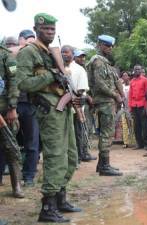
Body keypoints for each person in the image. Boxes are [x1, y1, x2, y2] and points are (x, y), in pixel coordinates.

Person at [16, 13, 80, 222]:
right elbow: (23, 83)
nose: (50, 33)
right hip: (48, 110)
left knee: (71, 155)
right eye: (46, 29)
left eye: (53, 30)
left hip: (63, 108)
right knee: (55, 156)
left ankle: (60, 198)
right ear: (36, 29)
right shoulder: (29, 52)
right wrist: (51, 75)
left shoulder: (53, 53)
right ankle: (48, 207)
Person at [87, 34, 123, 176]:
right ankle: (105, 166)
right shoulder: (99, 62)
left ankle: (101, 165)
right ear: (100, 45)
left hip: (105, 101)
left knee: (105, 133)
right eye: (107, 45)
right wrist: (115, 95)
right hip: (105, 102)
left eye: (111, 46)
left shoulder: (103, 62)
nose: (110, 48)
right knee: (107, 134)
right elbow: (100, 84)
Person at [62, 45, 96, 163]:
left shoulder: (80, 69)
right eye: (63, 52)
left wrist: (77, 100)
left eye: (67, 52)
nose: (65, 54)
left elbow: (81, 90)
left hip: (76, 105)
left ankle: (78, 156)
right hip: (62, 106)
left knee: (78, 132)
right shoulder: (58, 67)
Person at [14, 29, 38, 187]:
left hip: (30, 104)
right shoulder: (11, 54)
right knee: (6, 143)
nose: (31, 42)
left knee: (32, 143)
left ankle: (28, 176)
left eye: (33, 39)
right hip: (13, 104)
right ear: (20, 39)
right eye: (28, 39)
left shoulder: (36, 55)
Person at [0, 42, 24, 198]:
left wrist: (12, 108)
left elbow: (13, 81)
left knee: (11, 148)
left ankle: (16, 186)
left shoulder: (5, 55)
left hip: (4, 109)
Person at [129, 65, 147, 149]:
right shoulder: (132, 81)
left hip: (142, 105)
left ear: (141, 71)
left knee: (144, 125)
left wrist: (146, 107)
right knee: (136, 126)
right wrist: (130, 107)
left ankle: (146, 144)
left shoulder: (145, 80)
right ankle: (139, 143)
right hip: (134, 105)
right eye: (135, 69)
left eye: (138, 69)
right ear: (134, 71)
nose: (137, 71)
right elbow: (130, 95)